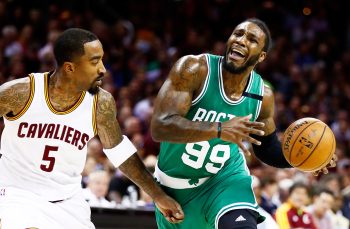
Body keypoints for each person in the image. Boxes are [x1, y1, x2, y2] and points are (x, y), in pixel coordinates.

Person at [151, 18, 336, 228]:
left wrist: (304, 158)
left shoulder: (262, 96)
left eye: (251, 39)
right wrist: (218, 129)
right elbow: (160, 126)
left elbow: (265, 147)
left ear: (261, 56)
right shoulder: (195, 69)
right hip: (174, 186)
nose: (240, 40)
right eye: (237, 34)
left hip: (225, 178)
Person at [0, 28, 184, 229]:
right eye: (94, 61)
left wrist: (158, 195)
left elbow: (120, 152)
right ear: (70, 68)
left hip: (68, 201)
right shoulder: (20, 93)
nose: (103, 69)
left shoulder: (100, 103)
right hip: (18, 194)